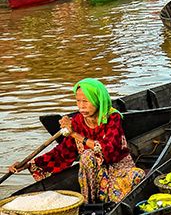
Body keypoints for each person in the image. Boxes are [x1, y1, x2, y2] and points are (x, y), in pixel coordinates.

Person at [9, 79, 145, 204]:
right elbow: (62, 152)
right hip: (93, 177)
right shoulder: (78, 122)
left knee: (138, 176)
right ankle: (90, 201)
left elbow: (108, 150)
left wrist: (75, 134)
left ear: (98, 100)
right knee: (87, 156)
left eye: (86, 101)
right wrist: (27, 165)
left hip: (118, 169)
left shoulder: (112, 118)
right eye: (78, 101)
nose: (81, 107)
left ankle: (109, 201)